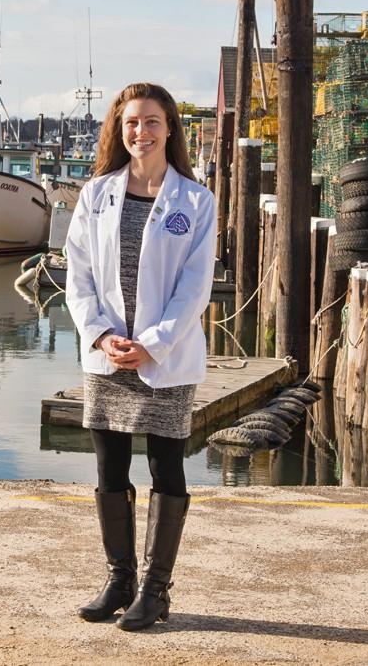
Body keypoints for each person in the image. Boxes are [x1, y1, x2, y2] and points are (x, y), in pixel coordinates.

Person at [63, 83, 217, 631]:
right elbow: (77, 277)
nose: (141, 132)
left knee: (165, 466)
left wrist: (152, 342)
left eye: (152, 122)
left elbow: (195, 287)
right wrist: (103, 336)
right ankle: (118, 579)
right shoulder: (96, 194)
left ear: (169, 128)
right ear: (118, 129)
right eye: (131, 122)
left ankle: (155, 591)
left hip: (164, 358)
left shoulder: (196, 202)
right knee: (109, 467)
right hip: (107, 355)